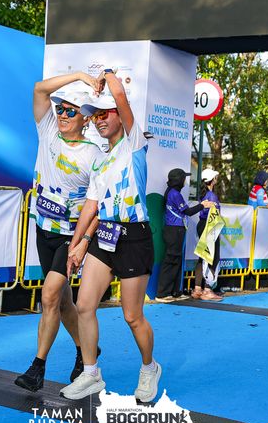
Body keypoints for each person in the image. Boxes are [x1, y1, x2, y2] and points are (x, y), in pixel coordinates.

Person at [61, 68, 159, 402]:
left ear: (119, 115)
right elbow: (91, 207)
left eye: (105, 113)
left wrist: (105, 74)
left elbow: (119, 95)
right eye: (96, 116)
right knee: (84, 305)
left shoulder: (135, 144)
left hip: (134, 237)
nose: (99, 120)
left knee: (132, 316)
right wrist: (76, 246)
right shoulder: (100, 161)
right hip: (105, 235)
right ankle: (91, 374)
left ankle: (149, 368)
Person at [14, 72, 103, 393]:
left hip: (70, 237)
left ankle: (37, 368)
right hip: (43, 229)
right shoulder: (48, 130)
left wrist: (84, 242)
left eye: (70, 111)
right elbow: (39, 89)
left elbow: (98, 206)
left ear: (85, 119)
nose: (62, 115)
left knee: (49, 295)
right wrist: (79, 75)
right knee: (64, 304)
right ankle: (85, 350)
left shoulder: (94, 154)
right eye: (60, 109)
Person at [155, 168, 214, 303]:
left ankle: (175, 292)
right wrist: (203, 205)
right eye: (184, 178)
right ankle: (162, 293)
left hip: (176, 230)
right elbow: (188, 211)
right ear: (179, 180)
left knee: (176, 261)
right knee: (171, 261)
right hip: (174, 230)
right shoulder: (175, 194)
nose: (185, 181)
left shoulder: (171, 192)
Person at [191, 169, 223, 301]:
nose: (217, 179)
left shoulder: (203, 194)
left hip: (202, 224)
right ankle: (208, 290)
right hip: (210, 226)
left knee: (202, 256)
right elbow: (215, 214)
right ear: (213, 180)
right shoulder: (212, 196)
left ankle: (198, 289)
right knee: (212, 257)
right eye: (215, 177)